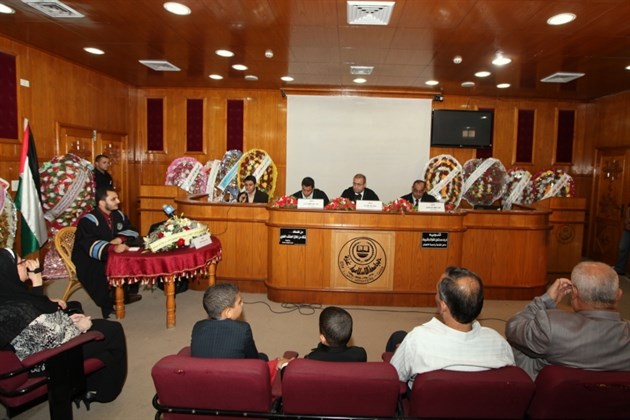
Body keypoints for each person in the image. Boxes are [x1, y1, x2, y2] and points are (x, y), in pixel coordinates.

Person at [0, 248, 128, 408]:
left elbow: (40, 319)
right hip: (45, 362)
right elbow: (52, 339)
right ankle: (102, 393)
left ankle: (85, 388)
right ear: (8, 271)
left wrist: (68, 320)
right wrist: (79, 327)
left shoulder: (8, 296)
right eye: (20, 262)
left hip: (34, 353)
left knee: (94, 326)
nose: (26, 264)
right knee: (112, 331)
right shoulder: (17, 309)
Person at [388, 266, 514, 389]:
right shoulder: (500, 343)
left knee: (398, 337)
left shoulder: (417, 340)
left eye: (437, 292)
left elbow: (394, 377)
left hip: (431, 401)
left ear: (443, 305)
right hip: (482, 401)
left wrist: (404, 352)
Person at [505, 261, 630, 380]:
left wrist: (544, 301)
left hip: (550, 393)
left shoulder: (550, 325)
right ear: (619, 294)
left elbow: (513, 327)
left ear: (574, 293)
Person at [72, 187, 142, 319]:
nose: (118, 201)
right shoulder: (88, 220)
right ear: (102, 203)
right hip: (89, 257)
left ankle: (124, 294)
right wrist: (112, 248)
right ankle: (107, 304)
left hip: (113, 251)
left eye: (117, 198)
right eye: (113, 199)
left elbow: (132, 230)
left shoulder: (118, 215)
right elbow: (88, 243)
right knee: (99, 270)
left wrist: (120, 239)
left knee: (136, 252)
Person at [191, 283, 268, 360]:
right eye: (239, 302)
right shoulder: (243, 329)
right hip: (232, 367)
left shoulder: (198, 326)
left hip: (201, 367)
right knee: (263, 357)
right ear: (228, 312)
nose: (242, 304)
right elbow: (253, 358)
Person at [614, 203, 630, 276]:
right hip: (628, 229)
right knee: (622, 248)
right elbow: (628, 209)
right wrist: (627, 221)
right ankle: (619, 269)